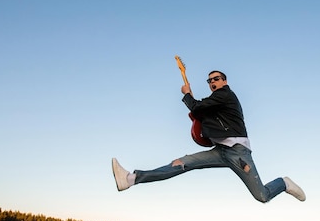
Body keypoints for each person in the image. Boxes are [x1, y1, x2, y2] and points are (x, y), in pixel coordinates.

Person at [111, 70, 306, 203]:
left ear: (224, 81)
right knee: (181, 163)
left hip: (238, 153)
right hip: (220, 151)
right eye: (210, 80)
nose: (212, 82)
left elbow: (196, 107)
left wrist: (187, 94)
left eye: (216, 78)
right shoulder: (215, 102)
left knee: (262, 196)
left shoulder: (226, 95)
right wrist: (192, 101)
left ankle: (284, 183)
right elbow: (199, 113)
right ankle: (130, 179)